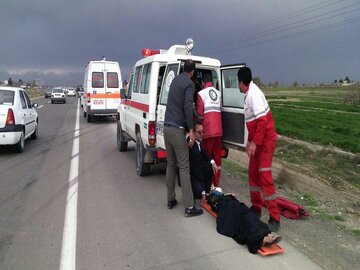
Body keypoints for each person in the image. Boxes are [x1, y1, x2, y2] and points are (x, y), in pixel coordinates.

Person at [237, 66, 280, 232]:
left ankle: (275, 218)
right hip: (257, 140)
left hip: (266, 142)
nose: (238, 86)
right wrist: (249, 142)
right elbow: (252, 124)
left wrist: (255, 143)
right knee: (253, 174)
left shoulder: (254, 95)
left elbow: (262, 122)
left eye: (238, 83)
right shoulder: (248, 95)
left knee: (265, 176)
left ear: (242, 82)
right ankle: (256, 208)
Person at [164, 59, 203, 217]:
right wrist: (192, 130)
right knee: (184, 167)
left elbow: (178, 104)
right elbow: (187, 106)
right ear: (193, 72)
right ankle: (189, 206)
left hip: (166, 127)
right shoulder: (189, 84)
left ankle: (170, 199)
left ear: (183, 69)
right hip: (177, 130)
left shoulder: (175, 80)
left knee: (171, 165)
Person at [207, 188, 282, 254]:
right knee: (247, 220)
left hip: (238, 207)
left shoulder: (223, 195)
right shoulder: (215, 200)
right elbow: (218, 206)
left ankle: (266, 234)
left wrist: (230, 196)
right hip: (231, 208)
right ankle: (262, 238)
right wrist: (228, 197)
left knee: (251, 216)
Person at [196, 73, 223, 187]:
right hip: (219, 131)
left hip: (207, 132)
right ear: (212, 82)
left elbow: (199, 114)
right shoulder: (218, 93)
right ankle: (216, 185)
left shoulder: (201, 94)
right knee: (217, 159)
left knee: (207, 158)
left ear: (203, 83)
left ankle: (208, 185)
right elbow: (220, 109)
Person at [188, 120, 219, 207]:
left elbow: (204, 152)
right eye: (199, 132)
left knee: (209, 166)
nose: (202, 134)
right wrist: (203, 192)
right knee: (198, 193)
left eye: (203, 132)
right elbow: (197, 171)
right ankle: (201, 193)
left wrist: (213, 162)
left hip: (197, 172)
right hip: (192, 175)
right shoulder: (191, 144)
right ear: (193, 133)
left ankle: (206, 192)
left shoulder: (198, 142)